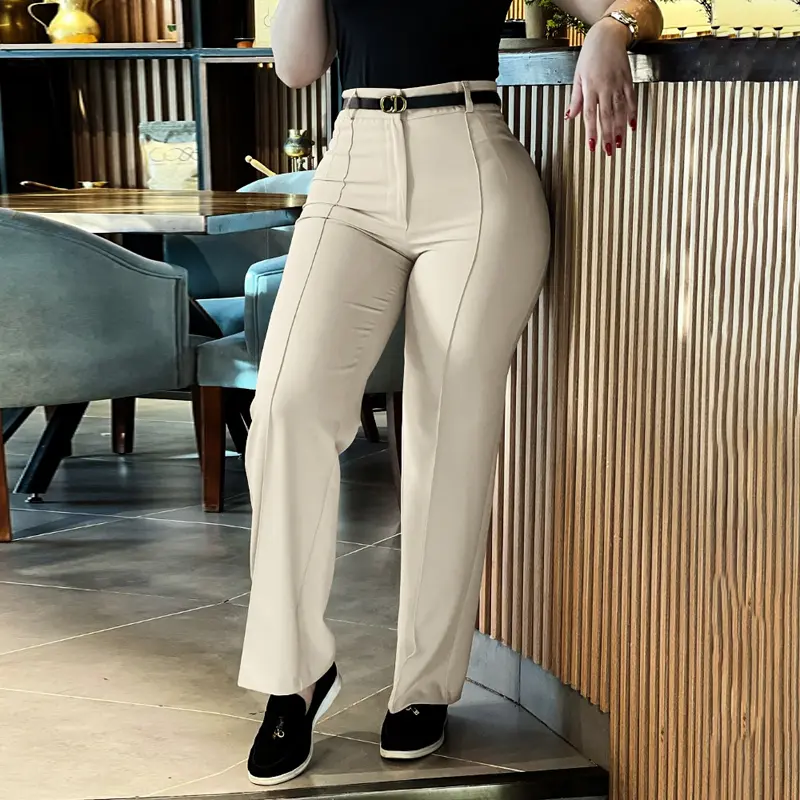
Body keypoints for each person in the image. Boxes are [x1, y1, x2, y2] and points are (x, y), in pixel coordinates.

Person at [240, 0, 663, 786]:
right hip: (353, 163)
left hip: (472, 167)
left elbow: (637, 4)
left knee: (449, 423)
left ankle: (425, 685)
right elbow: (298, 68)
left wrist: (610, 30)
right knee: (286, 408)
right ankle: (290, 676)